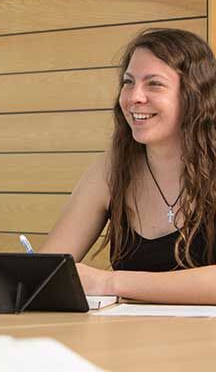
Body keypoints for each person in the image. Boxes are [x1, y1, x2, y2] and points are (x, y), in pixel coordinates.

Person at [41, 28, 216, 304]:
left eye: (154, 84)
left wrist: (110, 281)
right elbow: (45, 271)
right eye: (128, 82)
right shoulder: (110, 169)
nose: (135, 97)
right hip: (128, 342)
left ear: (194, 94)